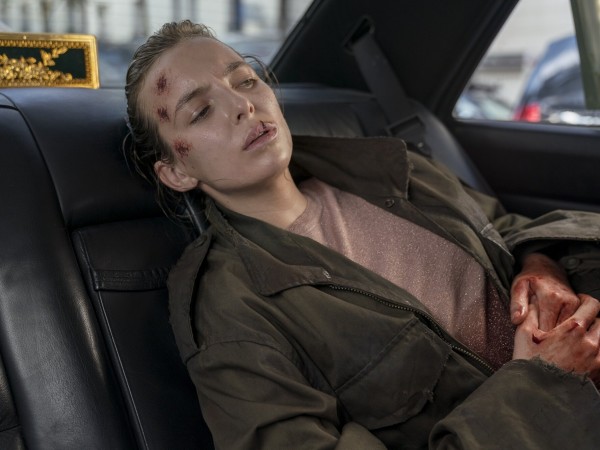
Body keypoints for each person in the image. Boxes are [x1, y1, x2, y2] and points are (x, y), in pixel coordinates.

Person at [125, 20, 600, 449]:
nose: (242, 105)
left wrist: (542, 266)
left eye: (245, 80)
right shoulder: (233, 310)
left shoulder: (393, 171)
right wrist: (544, 385)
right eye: (201, 111)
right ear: (176, 172)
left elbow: (507, 228)